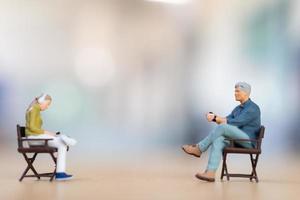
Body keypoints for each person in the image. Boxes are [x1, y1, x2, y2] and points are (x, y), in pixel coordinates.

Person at [182, 82, 261, 182]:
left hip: (249, 141)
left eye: (237, 91)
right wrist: (214, 118)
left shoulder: (253, 108)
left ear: (246, 93)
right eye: (234, 91)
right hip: (237, 140)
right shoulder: (237, 109)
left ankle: (199, 148)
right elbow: (226, 119)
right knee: (219, 140)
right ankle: (210, 173)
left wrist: (216, 118)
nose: (235, 93)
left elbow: (234, 123)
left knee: (223, 127)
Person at [25, 93, 76, 181]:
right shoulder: (34, 110)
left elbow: (35, 129)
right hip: (34, 138)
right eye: (47, 104)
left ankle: (60, 173)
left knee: (61, 144)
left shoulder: (34, 109)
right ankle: (64, 138)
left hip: (36, 137)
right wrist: (46, 132)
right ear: (41, 102)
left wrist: (48, 133)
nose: (47, 107)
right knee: (61, 143)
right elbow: (32, 127)